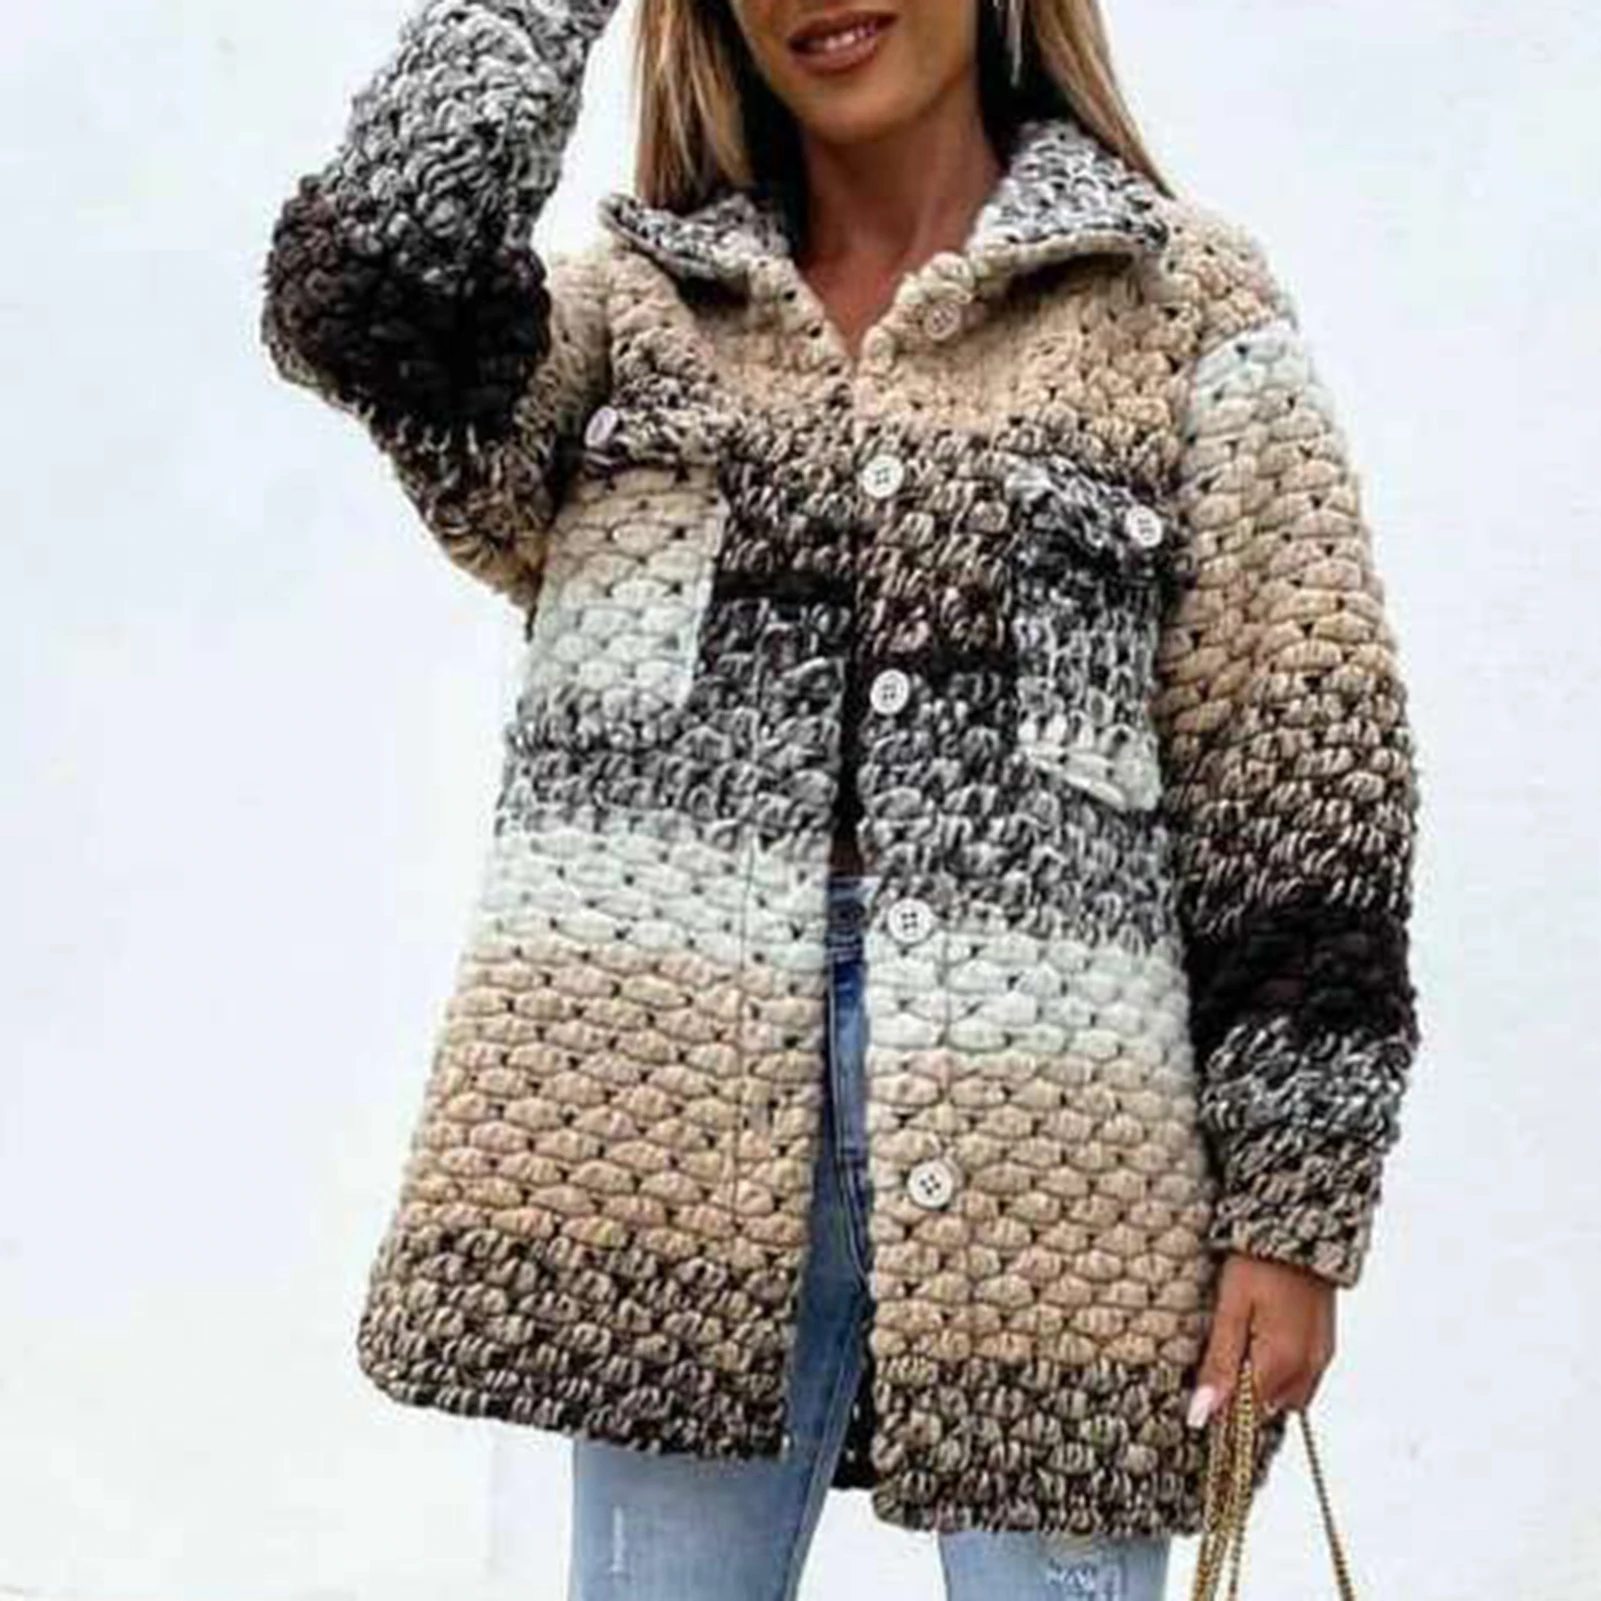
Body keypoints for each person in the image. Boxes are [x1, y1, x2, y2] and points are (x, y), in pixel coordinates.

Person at [260, 1, 1423, 1598]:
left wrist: (1296, 1207)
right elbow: (368, 289)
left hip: (1066, 1166)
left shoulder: (1176, 303)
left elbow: (1302, 768)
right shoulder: (630, 322)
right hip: (658, 1146)